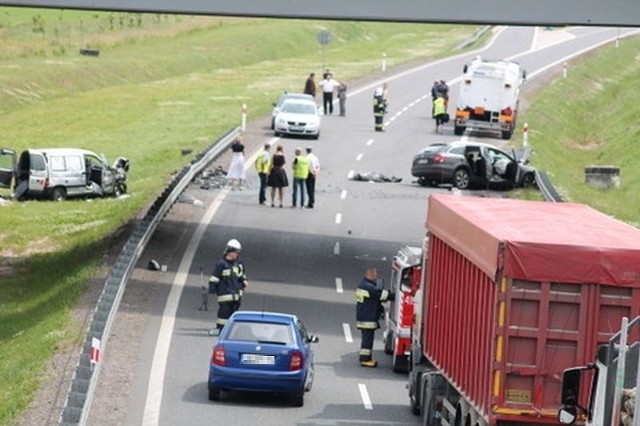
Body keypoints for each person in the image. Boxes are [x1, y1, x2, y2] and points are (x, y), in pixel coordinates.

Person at [208, 239, 248, 335]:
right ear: (230, 251)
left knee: (233, 315)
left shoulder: (238, 264)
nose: (237, 254)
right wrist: (212, 288)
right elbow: (214, 277)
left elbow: (241, 275)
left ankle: (230, 332)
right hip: (225, 295)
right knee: (223, 315)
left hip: (236, 296)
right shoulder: (221, 264)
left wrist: (244, 281)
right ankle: (221, 330)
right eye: (235, 252)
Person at [355, 268, 393, 367]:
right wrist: (394, 294)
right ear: (369, 274)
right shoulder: (368, 287)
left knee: (367, 338)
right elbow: (381, 294)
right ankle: (365, 359)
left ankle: (366, 358)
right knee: (367, 340)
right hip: (367, 317)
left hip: (364, 316)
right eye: (375, 273)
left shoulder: (363, 285)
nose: (376, 275)